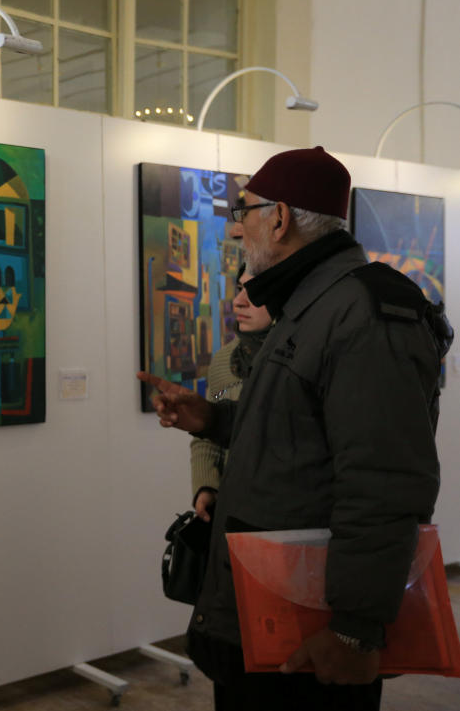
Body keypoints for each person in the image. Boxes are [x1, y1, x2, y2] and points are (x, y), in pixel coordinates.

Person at [138, 146, 451, 710]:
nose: (237, 231)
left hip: (313, 630)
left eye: (244, 211)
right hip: (274, 615)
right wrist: (211, 418)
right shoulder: (312, 307)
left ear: (279, 218)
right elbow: (300, 436)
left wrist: (355, 629)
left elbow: (384, 482)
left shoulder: (361, 313)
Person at [188, 265, 272, 522]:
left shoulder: (299, 357)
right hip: (231, 509)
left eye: (254, 292)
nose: (238, 302)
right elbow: (208, 434)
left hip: (282, 513)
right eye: (239, 289)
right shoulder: (225, 359)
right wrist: (206, 486)